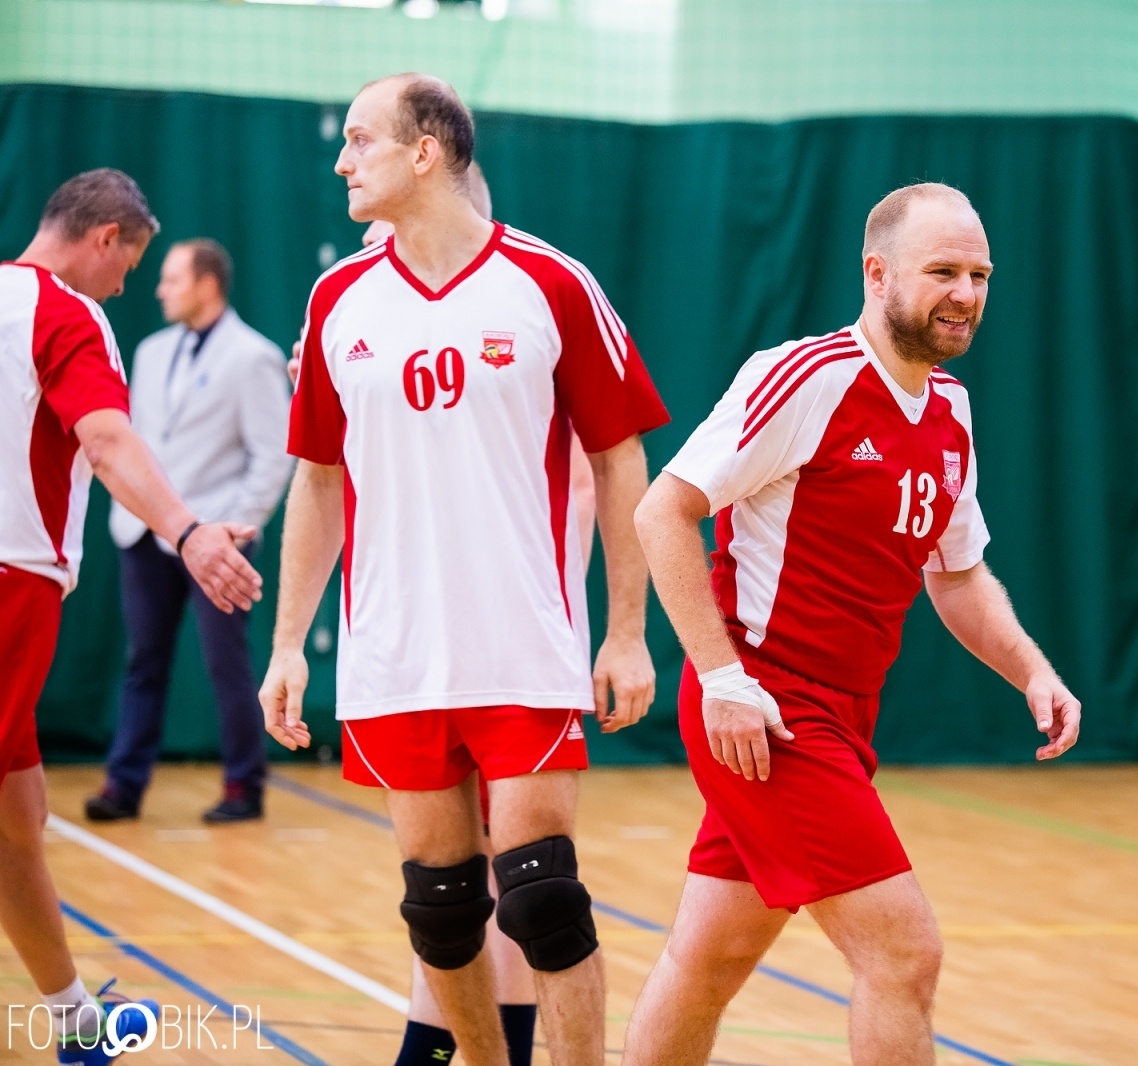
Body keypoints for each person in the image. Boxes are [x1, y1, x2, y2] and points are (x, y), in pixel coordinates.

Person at [259, 75, 667, 1066]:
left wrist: (623, 630)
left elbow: (620, 461)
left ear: (426, 150)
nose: (342, 160)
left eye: (360, 140)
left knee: (541, 896)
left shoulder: (549, 283)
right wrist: (286, 647)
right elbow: (315, 483)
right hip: (393, 652)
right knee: (440, 911)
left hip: (521, 642)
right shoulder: (337, 300)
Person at [625, 183, 1083, 1066]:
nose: (967, 293)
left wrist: (1033, 670)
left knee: (709, 957)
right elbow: (661, 514)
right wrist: (723, 680)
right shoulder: (807, 377)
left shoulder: (949, 408)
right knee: (904, 955)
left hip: (842, 714)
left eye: (981, 274)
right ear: (876, 273)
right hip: (767, 712)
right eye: (943, 271)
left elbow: (958, 575)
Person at [1, 168, 262, 1064]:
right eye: (129, 265)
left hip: (29, 573)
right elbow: (105, 441)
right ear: (104, 236)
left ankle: (74, 1022)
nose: (128, 287)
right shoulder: (66, 313)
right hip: (10, 577)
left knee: (17, 814)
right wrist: (188, 533)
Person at [83, 238, 293, 825]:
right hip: (143, 532)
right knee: (142, 662)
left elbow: (273, 454)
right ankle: (123, 785)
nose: (159, 288)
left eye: (172, 279)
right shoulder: (150, 351)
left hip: (217, 539)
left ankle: (242, 786)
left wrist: (235, 529)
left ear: (208, 284)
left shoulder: (252, 356)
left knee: (227, 663)